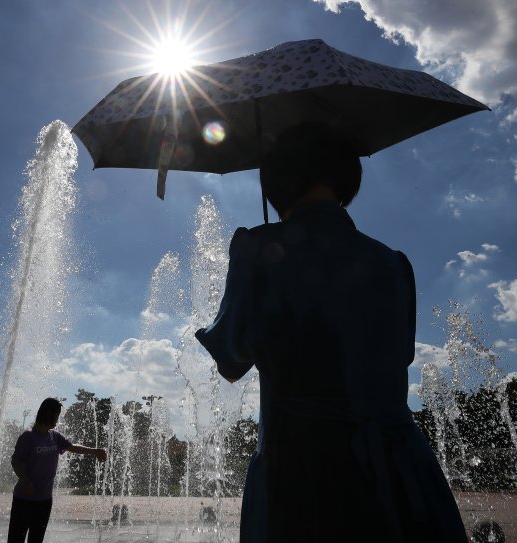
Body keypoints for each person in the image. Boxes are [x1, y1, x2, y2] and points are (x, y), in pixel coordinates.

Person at [195, 123, 467, 542]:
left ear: (276, 183)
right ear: (347, 180)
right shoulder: (395, 263)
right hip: (401, 470)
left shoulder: (256, 248)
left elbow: (231, 358)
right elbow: (398, 357)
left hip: (301, 471)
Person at [8, 397, 107, 543]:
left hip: (44, 500)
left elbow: (73, 447)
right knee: (16, 539)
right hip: (24, 499)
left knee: (36, 539)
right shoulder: (28, 437)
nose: (58, 419)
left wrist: (94, 451)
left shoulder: (55, 436)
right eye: (57, 415)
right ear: (48, 414)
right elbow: (15, 461)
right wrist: (25, 481)